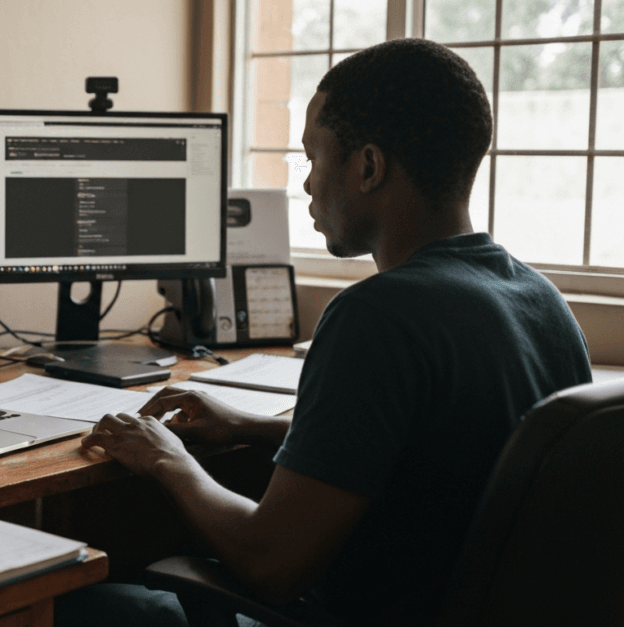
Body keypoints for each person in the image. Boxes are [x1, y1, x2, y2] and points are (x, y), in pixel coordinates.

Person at [57, 38, 592, 627]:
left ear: (367, 167)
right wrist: (249, 425)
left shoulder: (377, 316)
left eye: (313, 157)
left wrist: (168, 458)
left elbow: (270, 565)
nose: (308, 184)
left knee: (69, 603)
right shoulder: (542, 300)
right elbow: (427, 449)